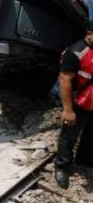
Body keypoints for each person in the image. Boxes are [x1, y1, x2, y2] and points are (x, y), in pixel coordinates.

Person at [54, 25, 93, 189]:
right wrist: (68, 110)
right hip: (79, 103)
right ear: (90, 33)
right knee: (69, 137)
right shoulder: (75, 52)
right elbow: (65, 80)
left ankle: (84, 161)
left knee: (91, 134)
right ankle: (62, 167)